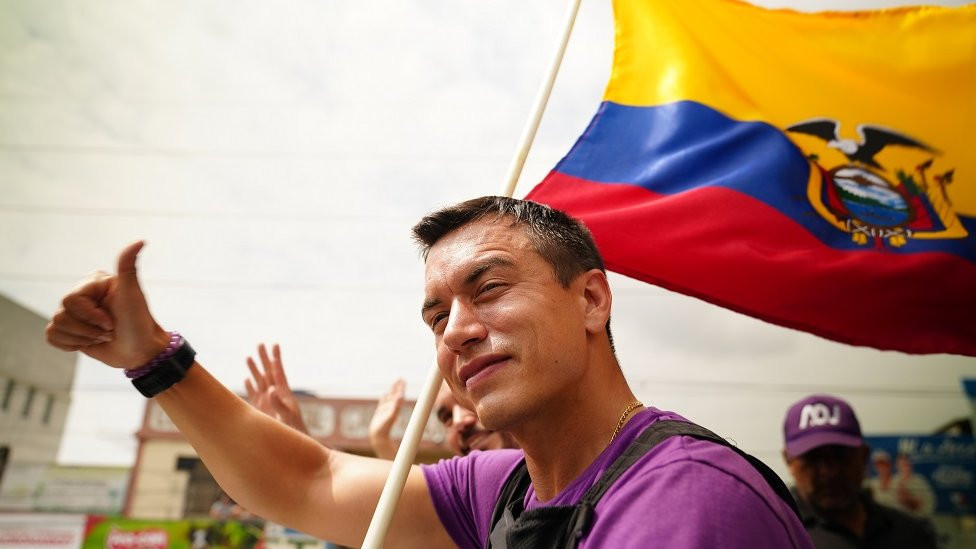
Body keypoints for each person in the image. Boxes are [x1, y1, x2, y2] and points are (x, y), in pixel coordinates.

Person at [46, 196, 811, 548]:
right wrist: (152, 359)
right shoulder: (501, 487)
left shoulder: (685, 503)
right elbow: (303, 482)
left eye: (489, 288)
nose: (460, 330)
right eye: (437, 315)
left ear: (592, 298)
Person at [782, 394, 937, 548]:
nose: (829, 472)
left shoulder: (909, 533)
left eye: (841, 455)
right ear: (788, 460)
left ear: (864, 456)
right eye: (813, 458)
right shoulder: (779, 535)